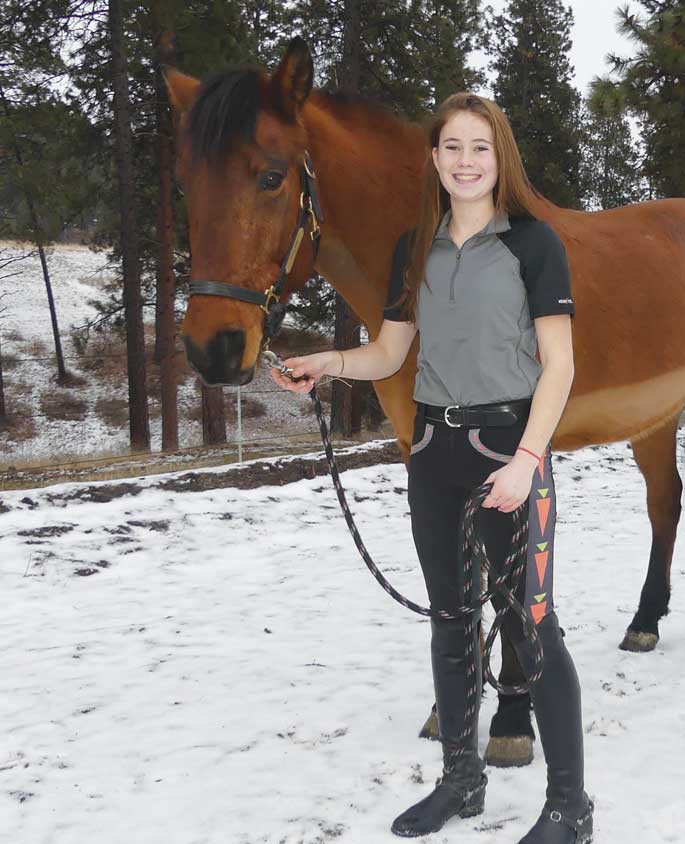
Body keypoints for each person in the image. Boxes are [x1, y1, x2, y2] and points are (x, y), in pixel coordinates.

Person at [271, 92, 593, 844]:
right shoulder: (414, 247)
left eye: (480, 147)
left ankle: (571, 807)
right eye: (452, 147)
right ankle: (462, 779)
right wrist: (327, 362)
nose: (466, 161)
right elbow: (389, 352)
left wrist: (527, 460)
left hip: (506, 452)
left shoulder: (533, 244)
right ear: (435, 159)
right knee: (451, 624)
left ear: (499, 157)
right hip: (433, 455)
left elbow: (560, 365)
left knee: (533, 629)